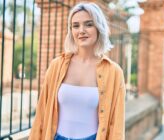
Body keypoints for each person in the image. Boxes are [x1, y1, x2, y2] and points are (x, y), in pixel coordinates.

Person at [29, 2, 126, 140]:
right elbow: (41, 115)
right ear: (71, 31)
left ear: (99, 27)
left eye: (88, 24)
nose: (81, 30)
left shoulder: (114, 72)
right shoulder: (56, 66)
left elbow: (117, 127)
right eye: (76, 25)